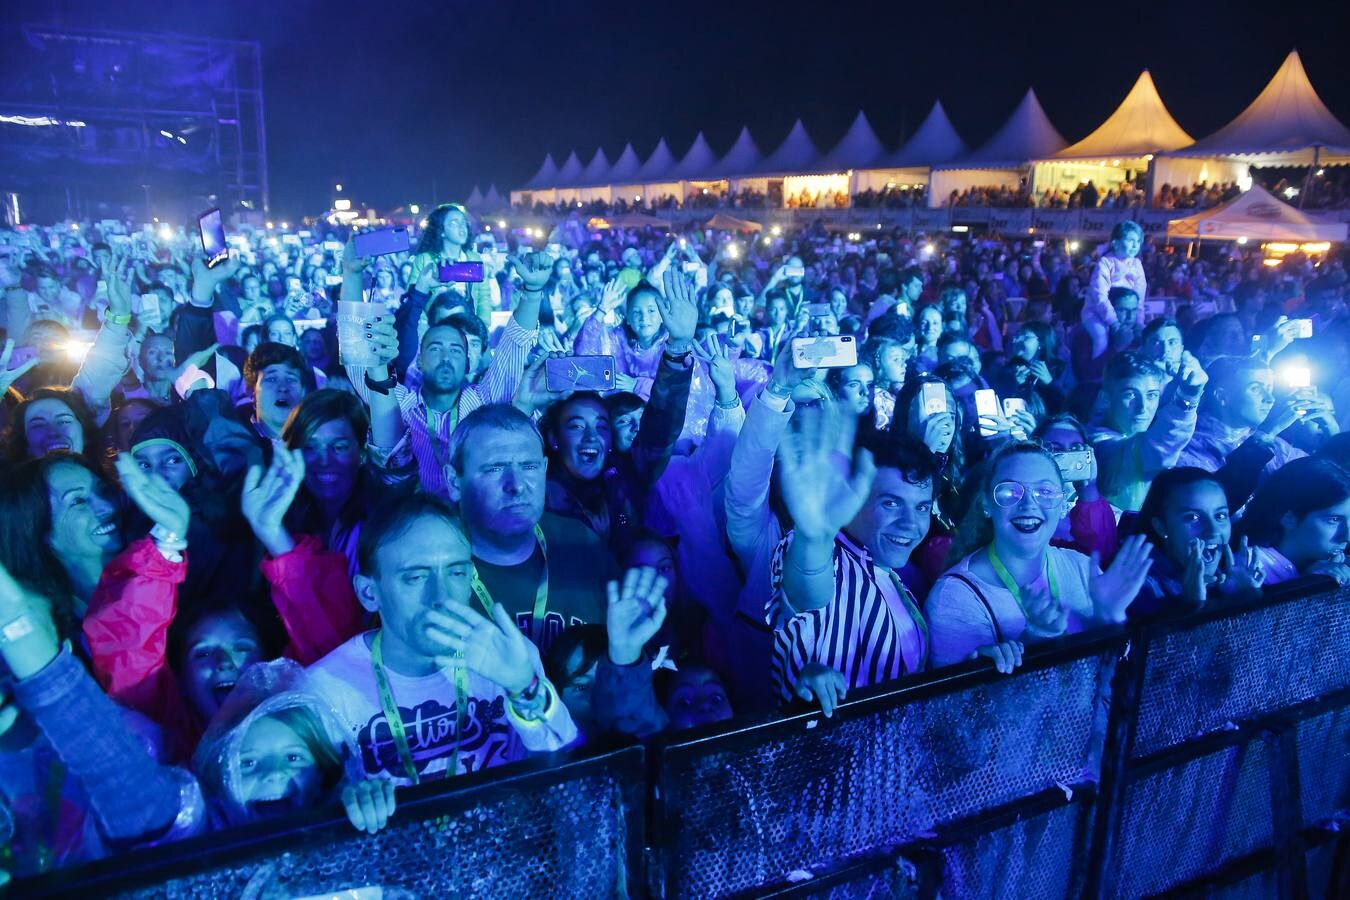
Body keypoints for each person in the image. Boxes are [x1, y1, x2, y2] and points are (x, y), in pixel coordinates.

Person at [305, 495, 577, 785]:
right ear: (369, 594)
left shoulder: (510, 656)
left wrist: (525, 688)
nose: (441, 596)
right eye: (416, 577)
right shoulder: (322, 692)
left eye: (456, 572)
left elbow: (566, 775)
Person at [926, 442, 1154, 672]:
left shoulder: (1083, 568)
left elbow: (1112, 676)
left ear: (1063, 504)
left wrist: (1109, 618)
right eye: (1009, 491)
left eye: (1045, 492)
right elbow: (960, 707)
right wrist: (1034, 639)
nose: (1028, 504)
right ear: (986, 503)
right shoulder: (954, 598)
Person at [771, 406, 939, 715]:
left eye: (921, 508)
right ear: (850, 494)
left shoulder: (890, 575)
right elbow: (807, 594)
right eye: (890, 503)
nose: (910, 524)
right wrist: (814, 537)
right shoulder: (821, 553)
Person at [351, 244, 545, 499]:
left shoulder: (484, 403)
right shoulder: (402, 406)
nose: (445, 357)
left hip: (476, 526)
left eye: (455, 350)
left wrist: (532, 292)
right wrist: (352, 274)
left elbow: (514, 346)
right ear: (418, 361)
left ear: (468, 362)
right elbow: (357, 360)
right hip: (420, 525)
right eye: (435, 349)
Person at [1132, 467, 1265, 617]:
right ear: (1161, 527)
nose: (1213, 531)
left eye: (1220, 516)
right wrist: (1191, 608)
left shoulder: (1226, 578)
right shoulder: (1139, 591)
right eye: (1192, 517)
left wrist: (1248, 600)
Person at [1090, 352, 1205, 512]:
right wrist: (1188, 396)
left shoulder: (1132, 433)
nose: (1143, 407)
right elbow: (1155, 449)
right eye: (1130, 394)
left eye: (1151, 395)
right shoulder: (1101, 448)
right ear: (1105, 398)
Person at [1237, 457, 1350, 586]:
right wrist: (1308, 585)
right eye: (1334, 520)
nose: (1347, 536)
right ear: (1290, 518)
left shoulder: (1332, 568)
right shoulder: (1247, 570)